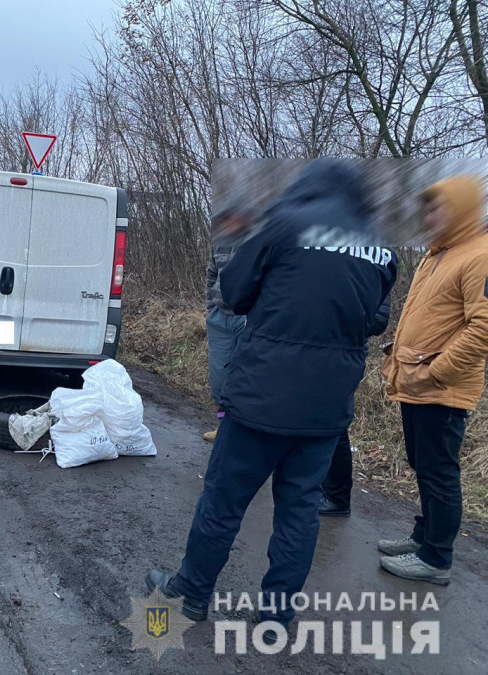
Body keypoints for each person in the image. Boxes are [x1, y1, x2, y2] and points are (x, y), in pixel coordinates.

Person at [144, 160, 397, 633]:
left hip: (262, 395)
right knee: (300, 511)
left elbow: (233, 292)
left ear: (307, 186)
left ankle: (191, 593)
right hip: (326, 406)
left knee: (224, 499)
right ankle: (277, 613)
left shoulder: (283, 224)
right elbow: (377, 320)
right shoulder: (379, 247)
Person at [378, 175, 488, 585]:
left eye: (437, 208)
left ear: (459, 210)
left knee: (439, 472)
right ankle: (423, 538)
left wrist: (435, 371)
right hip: (417, 383)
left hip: (442, 388)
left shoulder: (480, 255)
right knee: (424, 466)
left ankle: (436, 558)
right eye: (426, 210)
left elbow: (483, 328)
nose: (428, 217)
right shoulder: (438, 254)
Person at [319, 292, 392, 517]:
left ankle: (337, 498)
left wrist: (334, 322)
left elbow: (378, 319)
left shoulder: (374, 269)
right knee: (318, 421)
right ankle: (322, 488)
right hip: (317, 350)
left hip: (345, 354)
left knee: (335, 425)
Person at [203, 199, 251, 442]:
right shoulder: (220, 241)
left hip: (249, 318)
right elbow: (212, 273)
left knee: (245, 377)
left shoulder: (259, 241)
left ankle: (245, 431)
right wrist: (211, 306)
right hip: (220, 318)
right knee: (219, 380)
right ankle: (223, 426)